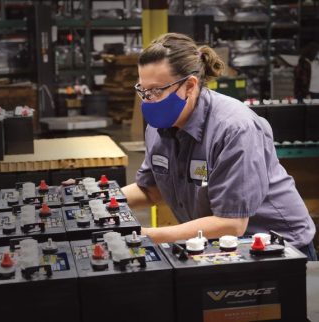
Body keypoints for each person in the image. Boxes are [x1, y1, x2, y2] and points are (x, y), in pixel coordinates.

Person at [121, 33, 317, 260]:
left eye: (156, 91)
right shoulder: (158, 127)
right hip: (216, 247)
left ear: (189, 86)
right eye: (143, 91)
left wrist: (142, 236)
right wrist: (101, 201)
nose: (148, 100)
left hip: (279, 249)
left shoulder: (234, 129)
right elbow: (151, 189)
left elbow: (231, 223)